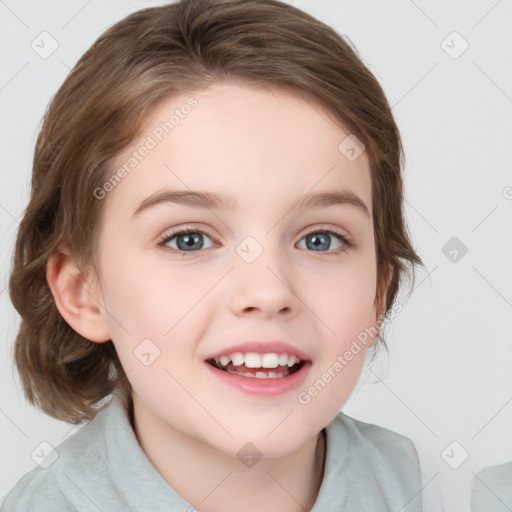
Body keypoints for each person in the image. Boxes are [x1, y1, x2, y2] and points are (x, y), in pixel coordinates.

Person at [1, 0, 424, 510]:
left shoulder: (443, 492)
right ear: (83, 292)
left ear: (378, 289)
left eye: (320, 239)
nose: (268, 292)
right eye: (189, 239)